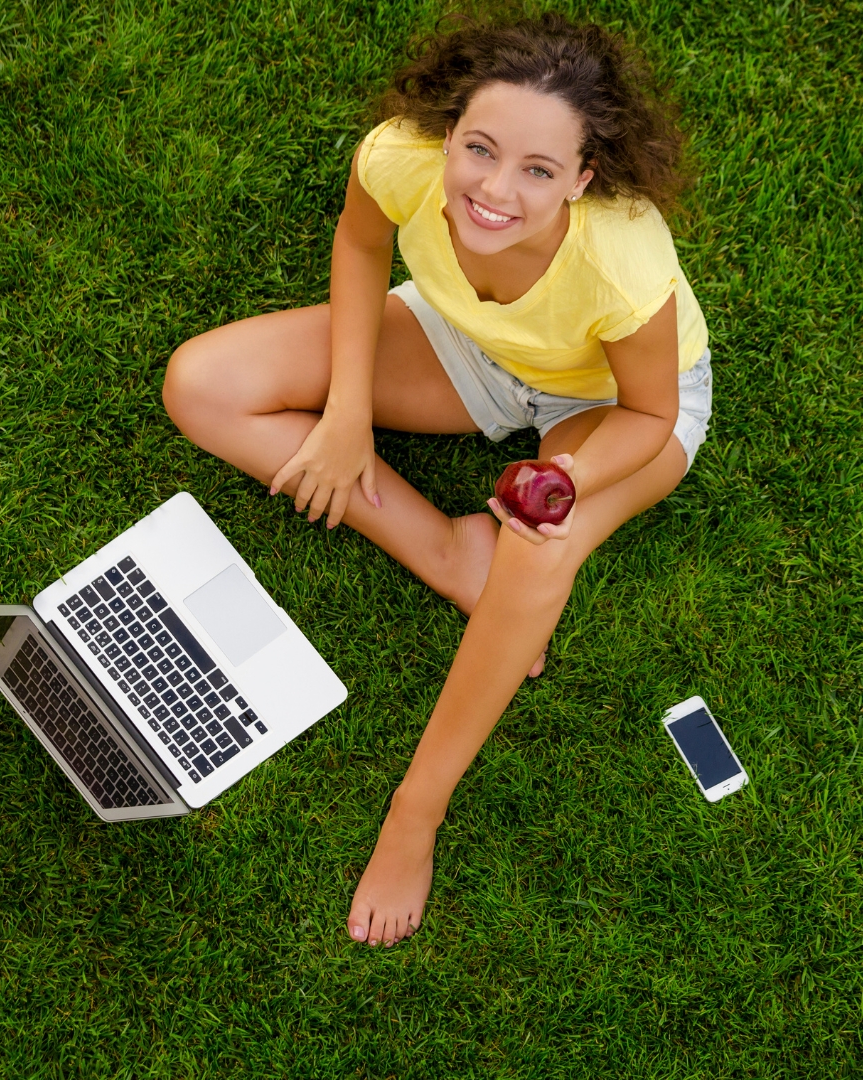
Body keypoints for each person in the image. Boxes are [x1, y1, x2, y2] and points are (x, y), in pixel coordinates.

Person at [162, 11, 711, 949]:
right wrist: (344, 415)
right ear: (450, 130)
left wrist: (564, 477)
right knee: (202, 384)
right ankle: (450, 552)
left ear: (582, 178)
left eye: (538, 170)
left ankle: (416, 810)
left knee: (542, 550)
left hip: (612, 400)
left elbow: (651, 414)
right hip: (464, 341)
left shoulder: (622, 261)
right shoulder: (398, 157)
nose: (495, 190)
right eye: (480, 149)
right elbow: (360, 246)